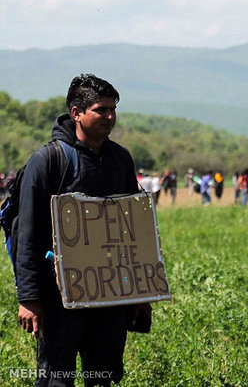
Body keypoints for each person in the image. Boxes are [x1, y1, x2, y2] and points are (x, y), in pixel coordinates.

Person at [16, 74, 151, 386]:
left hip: (111, 294)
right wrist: (29, 298)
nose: (109, 117)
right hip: (59, 296)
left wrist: (141, 291)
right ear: (76, 113)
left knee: (103, 377)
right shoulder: (48, 160)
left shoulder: (120, 159)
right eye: (100, 110)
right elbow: (28, 234)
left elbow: (135, 228)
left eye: (113, 109)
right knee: (57, 379)